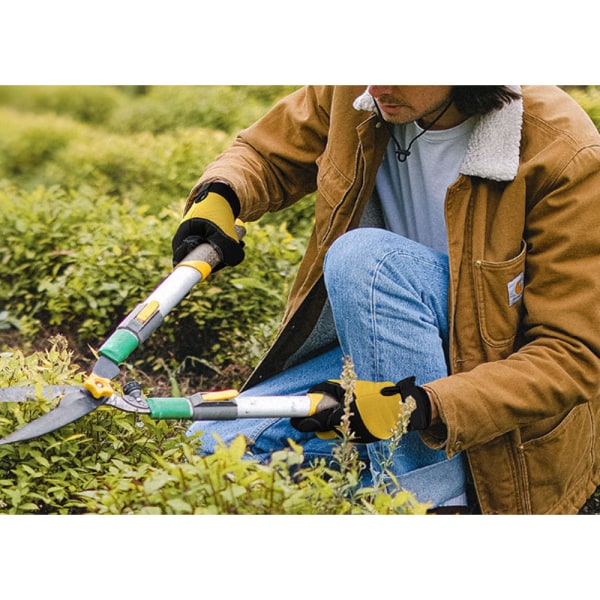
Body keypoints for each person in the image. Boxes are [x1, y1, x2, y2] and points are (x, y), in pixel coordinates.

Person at [172, 86, 600, 514]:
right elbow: (266, 152)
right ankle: (384, 476)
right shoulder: (357, 91)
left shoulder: (564, 150)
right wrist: (222, 195)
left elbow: (572, 354)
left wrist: (425, 405)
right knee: (208, 448)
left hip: (492, 385)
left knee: (368, 260)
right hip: (383, 348)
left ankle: (434, 500)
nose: (376, 87)